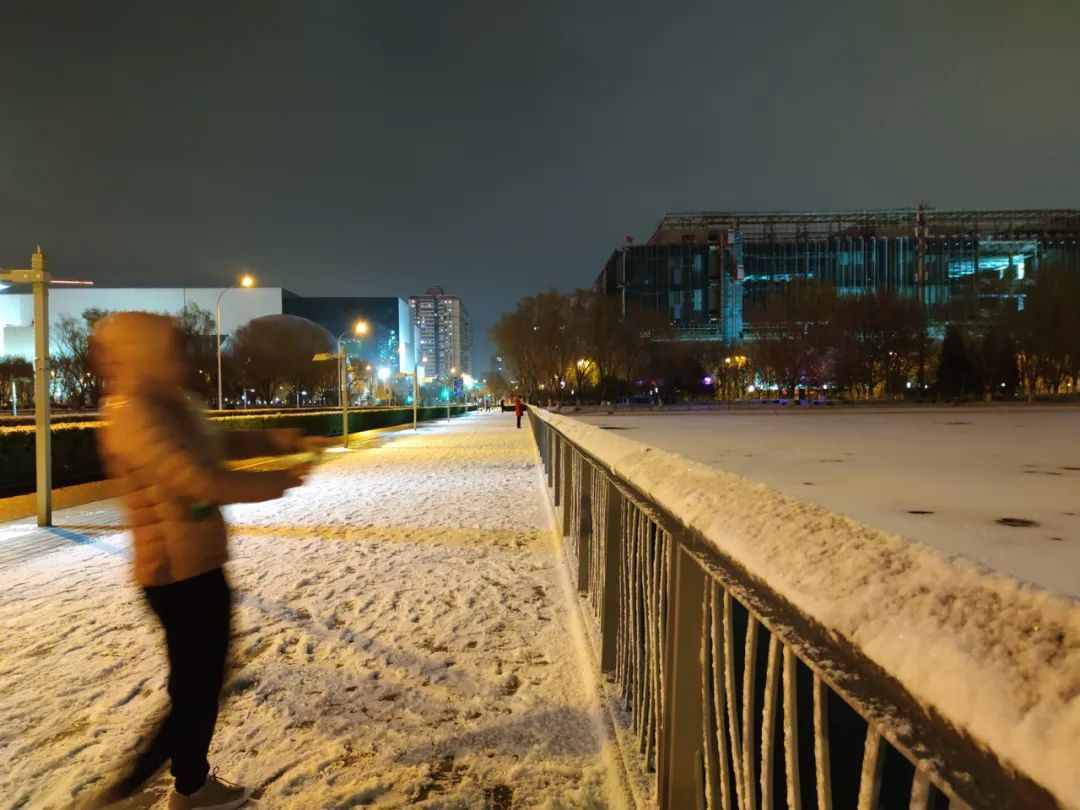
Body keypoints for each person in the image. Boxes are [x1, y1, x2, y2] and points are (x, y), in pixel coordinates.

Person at [86, 313, 320, 810]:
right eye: (170, 349)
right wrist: (279, 481)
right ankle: (125, 792)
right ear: (144, 353)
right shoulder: (134, 414)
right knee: (197, 690)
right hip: (175, 574)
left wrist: (278, 441)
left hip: (197, 566)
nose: (181, 358)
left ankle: (189, 784)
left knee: (197, 683)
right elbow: (199, 479)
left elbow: (220, 444)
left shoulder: (171, 404)